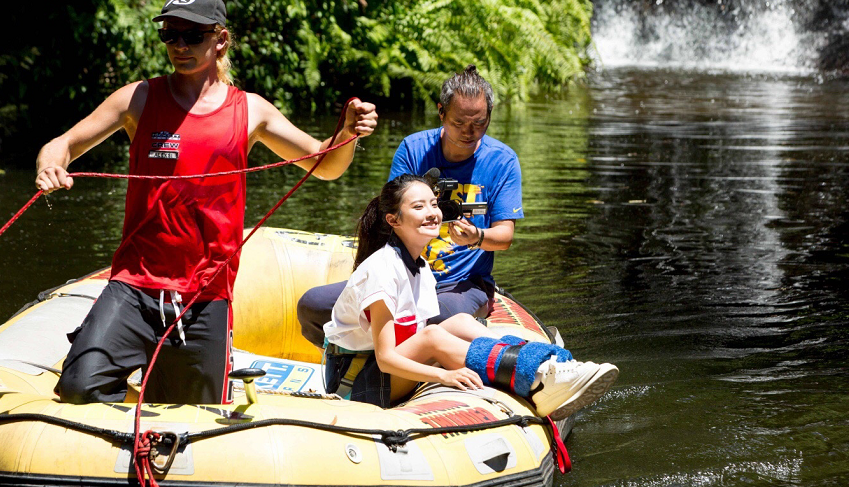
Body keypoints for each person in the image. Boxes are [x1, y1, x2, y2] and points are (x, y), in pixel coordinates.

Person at [35, 0, 378, 405]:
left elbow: (325, 165)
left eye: (193, 35)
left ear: (221, 40)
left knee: (194, 417)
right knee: (78, 387)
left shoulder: (250, 110)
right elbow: (62, 144)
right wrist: (51, 166)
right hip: (134, 285)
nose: (180, 45)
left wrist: (347, 134)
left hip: (205, 296)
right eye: (170, 34)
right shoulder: (139, 98)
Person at [323, 174, 618, 417]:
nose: (432, 213)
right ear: (393, 220)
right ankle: (536, 378)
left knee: (460, 320)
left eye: (434, 204)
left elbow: (413, 336)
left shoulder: (420, 266)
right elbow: (387, 358)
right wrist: (444, 376)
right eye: (418, 207)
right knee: (433, 337)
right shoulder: (382, 270)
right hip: (354, 385)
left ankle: (544, 361)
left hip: (382, 372)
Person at [298, 65, 519, 347]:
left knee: (436, 319)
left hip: (461, 283)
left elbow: (505, 237)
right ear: (441, 113)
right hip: (403, 275)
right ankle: (355, 360)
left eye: (479, 123)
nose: (469, 132)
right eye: (459, 123)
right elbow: (388, 213)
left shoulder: (503, 161)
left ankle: (410, 367)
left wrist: (478, 238)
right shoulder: (414, 149)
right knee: (313, 306)